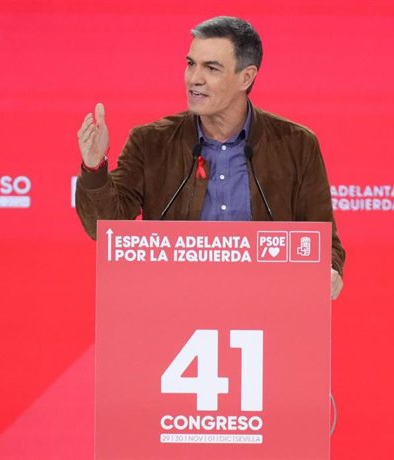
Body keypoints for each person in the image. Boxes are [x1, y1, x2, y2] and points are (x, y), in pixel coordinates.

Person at [75, 16, 345, 299]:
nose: (194, 79)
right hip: (175, 309)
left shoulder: (296, 144)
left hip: (267, 311)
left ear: (246, 77)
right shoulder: (151, 142)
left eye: (211, 68)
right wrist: (94, 167)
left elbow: (325, 244)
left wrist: (329, 270)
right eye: (191, 64)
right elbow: (103, 227)